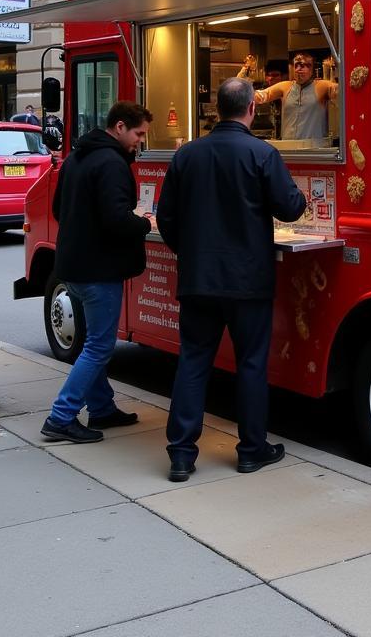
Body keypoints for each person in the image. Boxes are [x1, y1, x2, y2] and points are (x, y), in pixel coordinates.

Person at [157, 77, 305, 481]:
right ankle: (251, 451)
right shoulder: (262, 153)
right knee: (252, 365)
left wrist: (189, 252)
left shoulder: (187, 155)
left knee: (192, 361)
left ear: (218, 109)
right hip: (248, 281)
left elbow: (165, 217)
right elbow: (290, 207)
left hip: (199, 279)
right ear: (251, 110)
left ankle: (182, 455)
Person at [40, 102, 155, 443]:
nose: (140, 142)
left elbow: (59, 207)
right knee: (100, 347)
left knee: (94, 340)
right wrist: (143, 222)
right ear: (119, 127)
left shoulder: (77, 157)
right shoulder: (112, 164)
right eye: (139, 134)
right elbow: (117, 219)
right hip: (98, 270)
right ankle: (61, 416)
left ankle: (102, 408)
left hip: (72, 267)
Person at [242, 52, 337, 141]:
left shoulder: (322, 86)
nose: (298, 69)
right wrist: (244, 74)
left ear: (312, 69)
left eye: (303, 66)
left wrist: (335, 71)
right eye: (296, 66)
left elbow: (341, 93)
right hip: (289, 146)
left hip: (316, 147)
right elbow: (261, 96)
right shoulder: (285, 86)